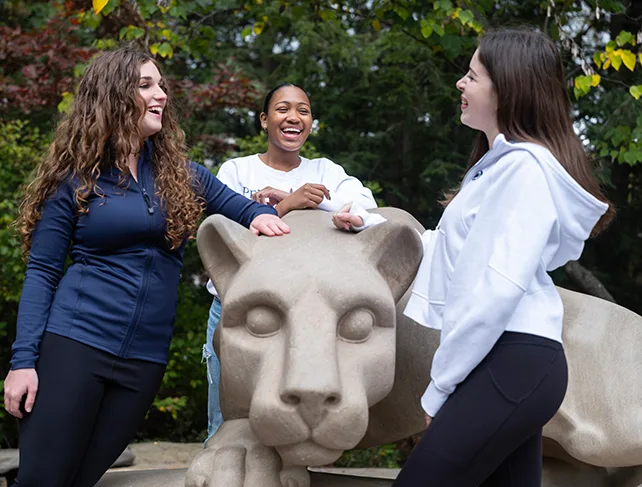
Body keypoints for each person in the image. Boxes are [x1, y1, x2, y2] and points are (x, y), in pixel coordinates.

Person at [338, 29, 614, 486]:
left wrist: (441, 387)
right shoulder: (496, 168)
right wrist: (370, 223)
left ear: (507, 89)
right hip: (510, 361)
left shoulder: (523, 170)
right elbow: (447, 249)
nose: (460, 85)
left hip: (512, 360)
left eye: (472, 76)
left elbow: (495, 289)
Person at [3, 47, 289, 487]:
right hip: (75, 346)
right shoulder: (76, 179)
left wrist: (322, 215)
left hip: (143, 361)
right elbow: (42, 272)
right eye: (146, 85)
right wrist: (23, 362)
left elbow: (248, 213)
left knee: (81, 480)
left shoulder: (181, 174)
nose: (161, 95)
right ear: (114, 95)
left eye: (162, 86)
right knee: (43, 480)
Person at [203, 82, 384, 442]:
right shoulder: (236, 171)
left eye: (303, 110)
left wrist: (311, 201)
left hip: (310, 321)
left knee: (296, 419)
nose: (294, 117)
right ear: (264, 120)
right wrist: (286, 206)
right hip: (240, 314)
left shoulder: (326, 171)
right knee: (228, 422)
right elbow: (224, 238)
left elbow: (369, 210)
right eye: (283, 109)